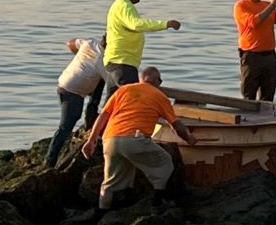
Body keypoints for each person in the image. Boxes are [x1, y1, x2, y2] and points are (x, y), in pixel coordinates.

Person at [81, 66, 196, 216]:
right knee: (165, 163)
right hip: (135, 139)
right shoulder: (159, 96)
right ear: (157, 81)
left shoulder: (123, 90)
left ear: (141, 79)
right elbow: (176, 125)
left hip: (110, 140)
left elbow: (103, 116)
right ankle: (157, 202)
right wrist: (189, 138)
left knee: (110, 182)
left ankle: (101, 213)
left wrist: (91, 140)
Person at [104, 0, 181, 100]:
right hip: (123, 63)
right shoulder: (124, 6)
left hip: (114, 62)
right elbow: (137, 24)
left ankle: (100, 121)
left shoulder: (118, 5)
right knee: (133, 102)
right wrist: (166, 24)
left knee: (110, 106)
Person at [46, 35, 109, 168]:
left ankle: (90, 121)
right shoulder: (103, 61)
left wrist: (80, 58)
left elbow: (70, 43)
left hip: (65, 83)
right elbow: (113, 83)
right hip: (73, 92)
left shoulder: (90, 43)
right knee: (66, 127)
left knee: (99, 81)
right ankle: (50, 161)